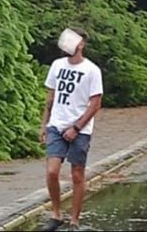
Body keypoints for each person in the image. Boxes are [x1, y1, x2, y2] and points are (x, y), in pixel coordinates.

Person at [40, 27, 103, 232]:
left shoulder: (92, 70)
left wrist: (76, 127)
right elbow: (50, 97)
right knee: (52, 172)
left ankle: (75, 220)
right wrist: (44, 124)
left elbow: (95, 104)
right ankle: (56, 214)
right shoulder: (57, 65)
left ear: (81, 44)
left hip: (80, 129)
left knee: (77, 174)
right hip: (57, 125)